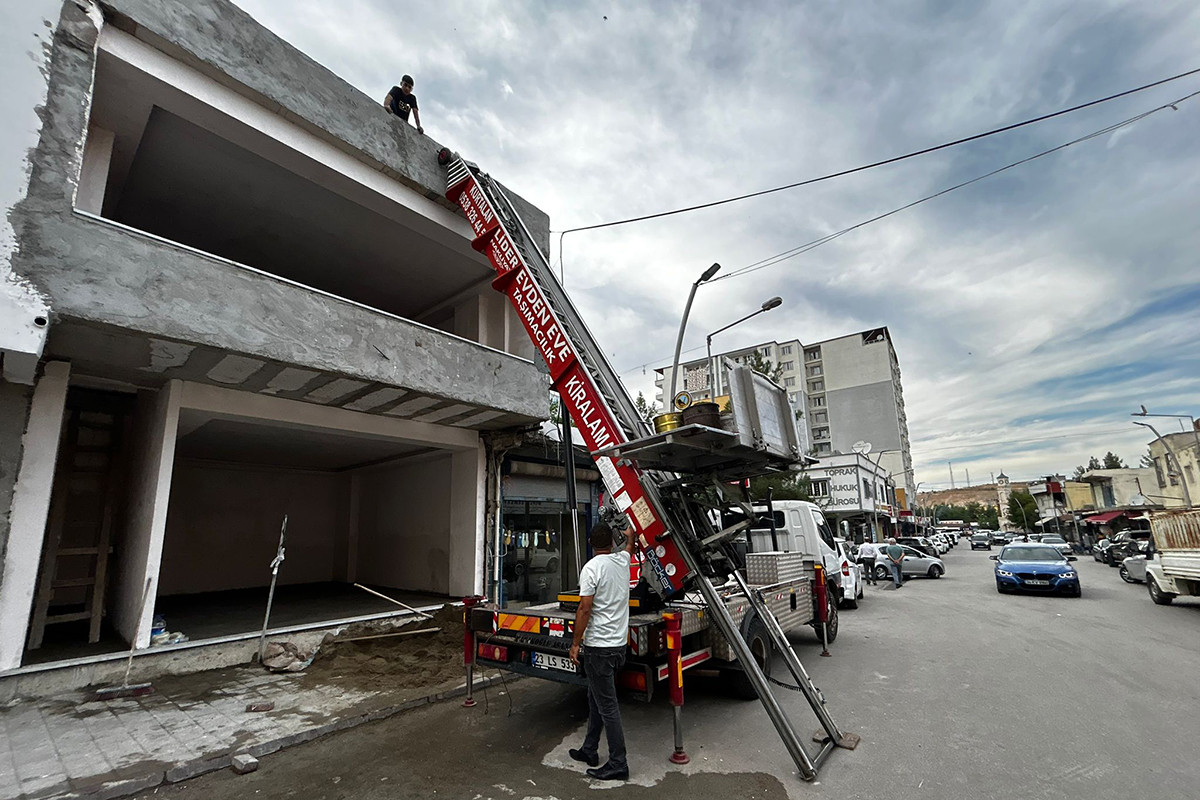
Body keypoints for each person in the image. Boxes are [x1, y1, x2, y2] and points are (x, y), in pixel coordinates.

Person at [568, 521, 643, 781]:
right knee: (596, 698)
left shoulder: (591, 569)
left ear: (590, 544)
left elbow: (584, 609)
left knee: (607, 706)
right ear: (612, 542)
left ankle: (618, 763)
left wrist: (576, 643)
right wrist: (630, 536)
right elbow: (630, 548)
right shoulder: (622, 561)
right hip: (618, 646)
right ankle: (589, 749)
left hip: (599, 648)